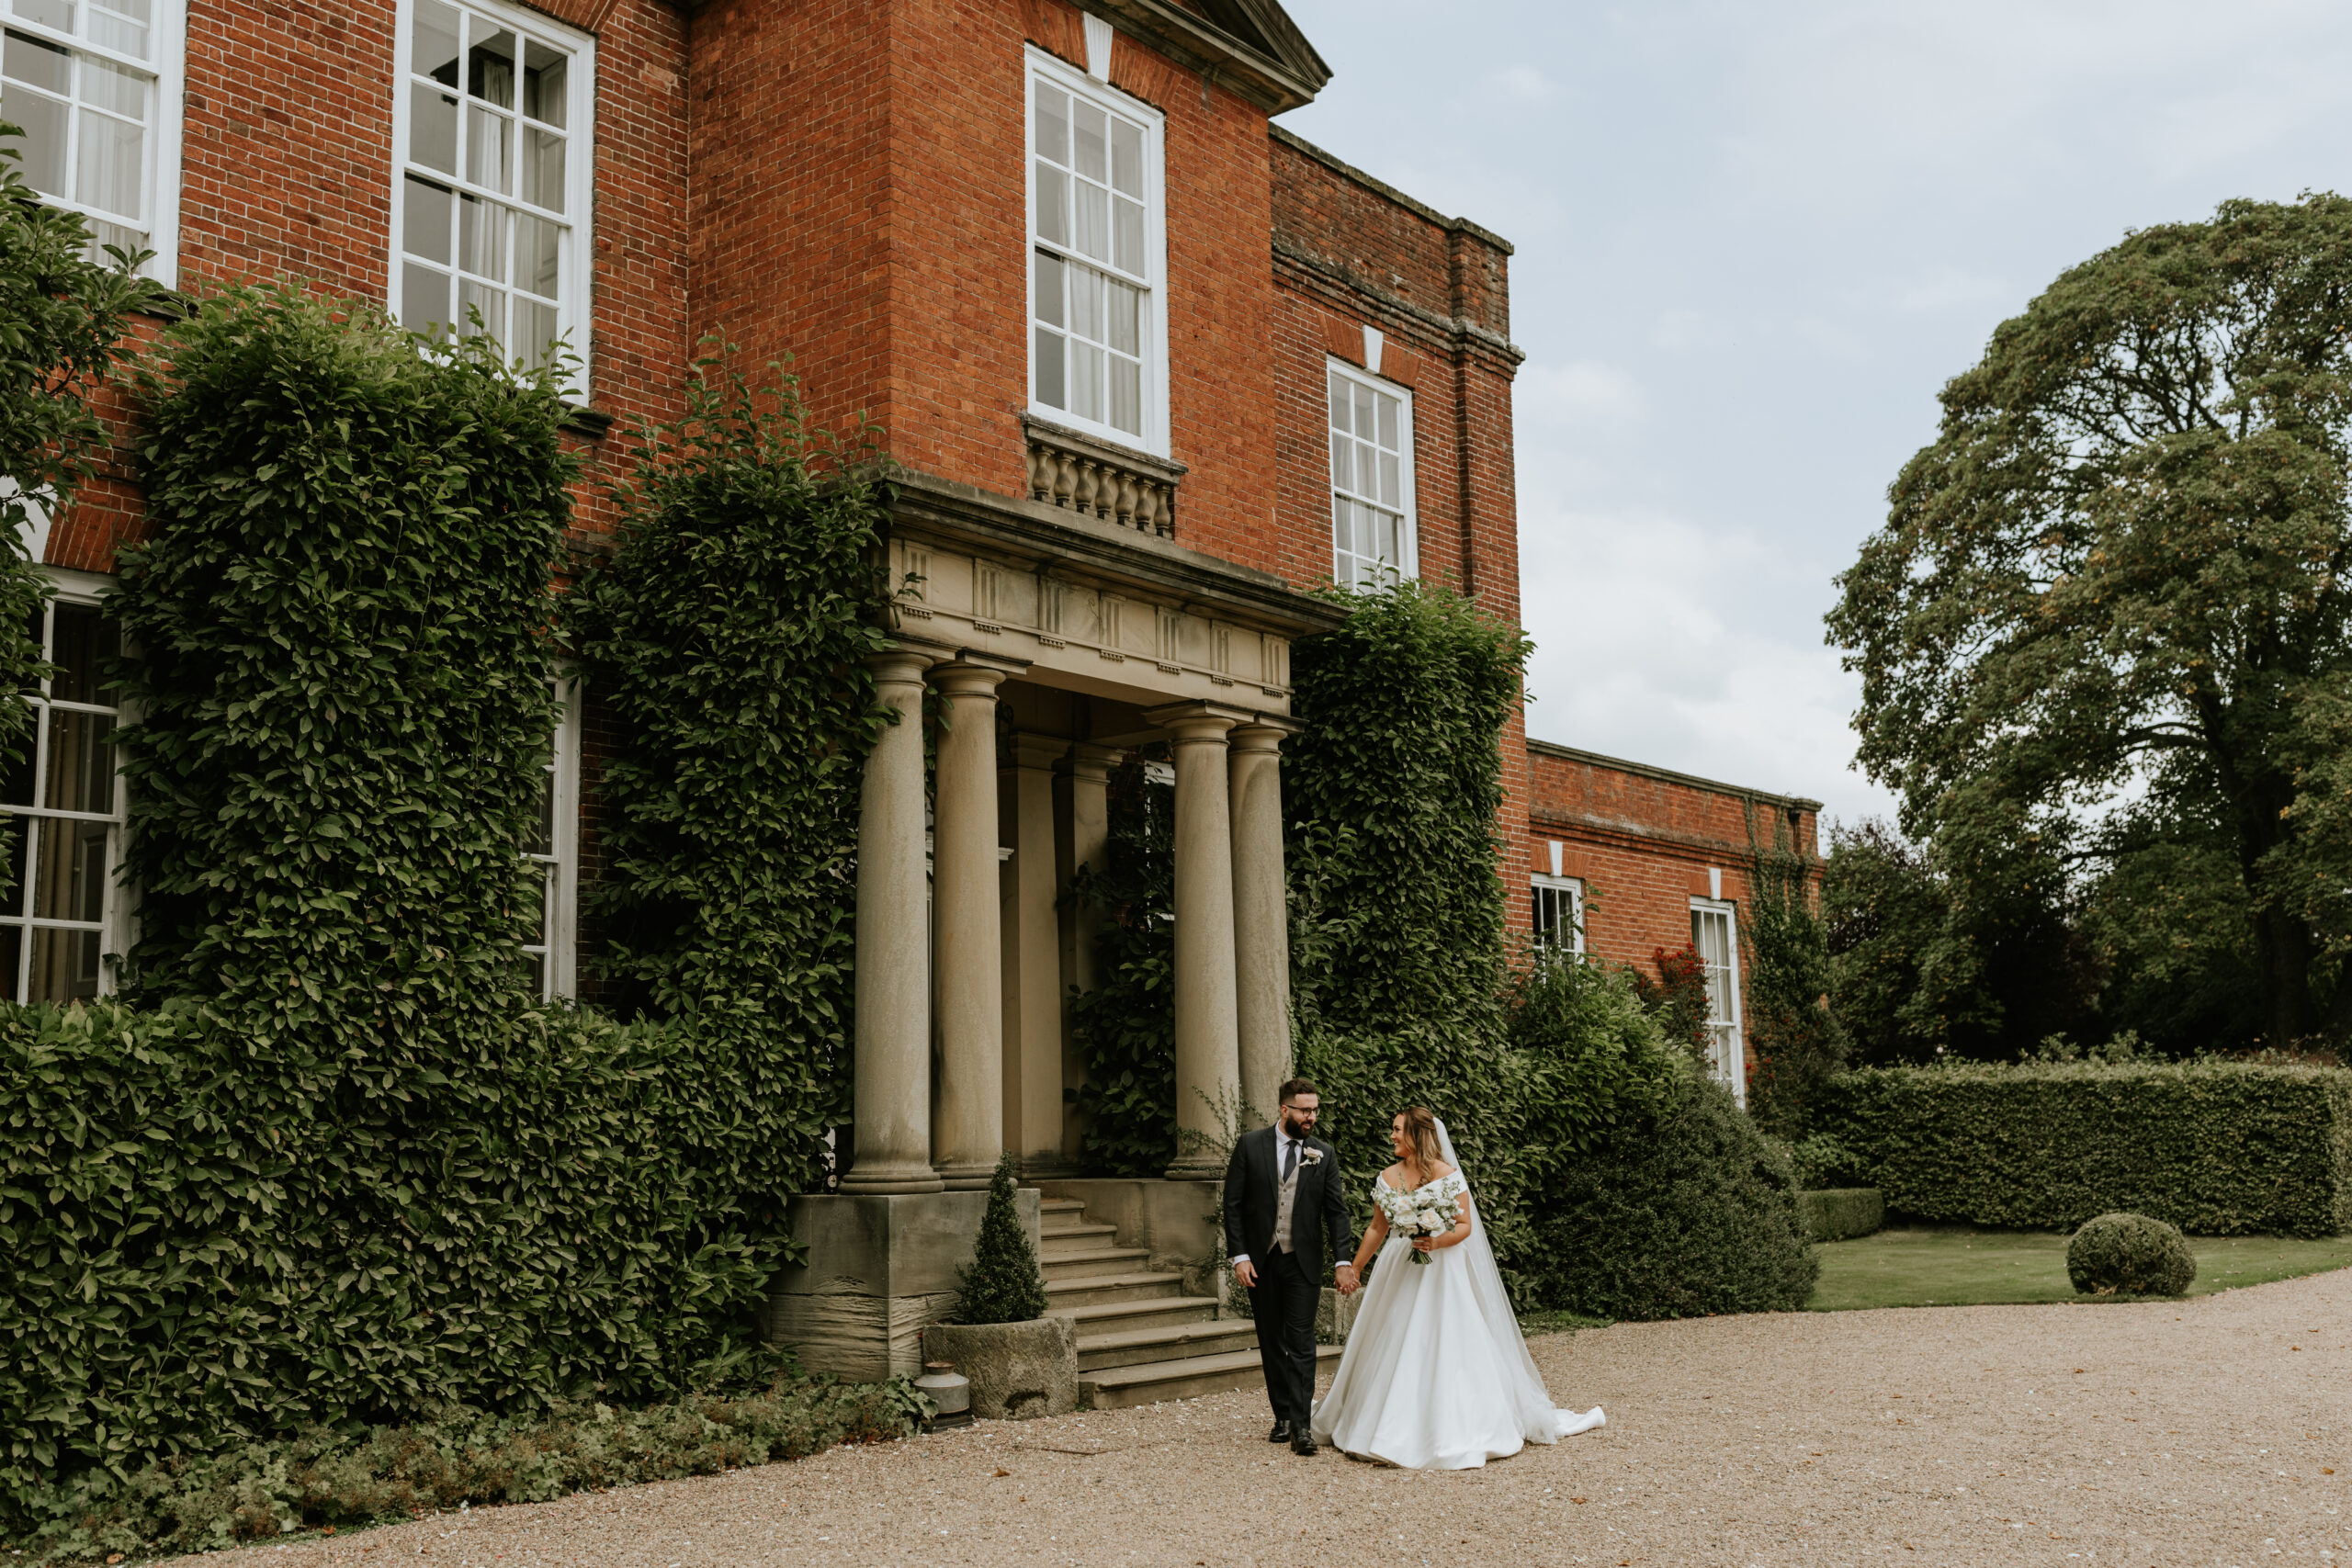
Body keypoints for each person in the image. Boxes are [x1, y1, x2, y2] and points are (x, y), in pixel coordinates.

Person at [1310, 1105, 1605, 1470]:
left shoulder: (1447, 1175)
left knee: (1442, 1337)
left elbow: (1464, 1225)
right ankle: (1382, 1421)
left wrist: (1436, 1241)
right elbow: (1377, 1227)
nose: (1392, 1136)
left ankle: (1450, 1427)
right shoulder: (1387, 1176)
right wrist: (1354, 1269)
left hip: (1440, 1267)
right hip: (1400, 1265)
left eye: (1398, 1130)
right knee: (1393, 1336)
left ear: (1418, 1135)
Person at [1222, 1077, 1356, 1456]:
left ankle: (1301, 1425)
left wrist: (1342, 1259)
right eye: (1305, 1110)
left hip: (1303, 1261)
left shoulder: (1322, 1154)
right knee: (1271, 1340)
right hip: (1261, 1261)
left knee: (1301, 1341)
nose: (1311, 1116)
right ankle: (1282, 1414)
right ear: (1285, 1110)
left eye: (1315, 1110)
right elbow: (1232, 1206)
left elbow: (1336, 1212)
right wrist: (1240, 1256)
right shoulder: (1251, 1145)